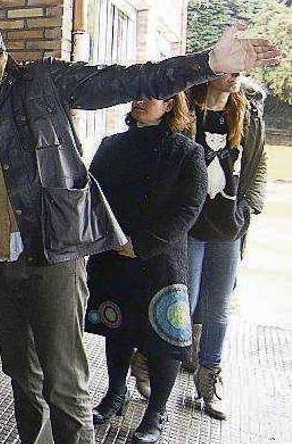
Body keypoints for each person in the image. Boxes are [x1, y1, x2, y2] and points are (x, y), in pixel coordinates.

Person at [0, 12, 281, 444]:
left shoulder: (40, 81)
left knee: (64, 379)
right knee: (20, 372)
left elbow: (127, 81)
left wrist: (207, 64)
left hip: (52, 251)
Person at [86, 94, 207, 444]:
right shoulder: (111, 146)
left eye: (150, 95)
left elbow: (188, 208)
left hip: (160, 262)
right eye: (136, 94)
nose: (140, 101)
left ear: (170, 105)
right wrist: (111, 239)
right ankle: (114, 395)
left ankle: (156, 412)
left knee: (162, 339)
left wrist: (140, 245)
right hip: (113, 256)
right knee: (117, 329)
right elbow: (93, 196)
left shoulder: (186, 152)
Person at [185, 73, 268, 420]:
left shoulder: (246, 113)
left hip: (228, 227)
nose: (235, 76)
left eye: (240, 70)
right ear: (210, 69)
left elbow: (258, 162)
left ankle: (209, 379)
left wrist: (249, 205)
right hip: (187, 226)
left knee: (218, 307)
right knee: (181, 303)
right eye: (229, 68)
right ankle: (153, 367)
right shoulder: (185, 109)